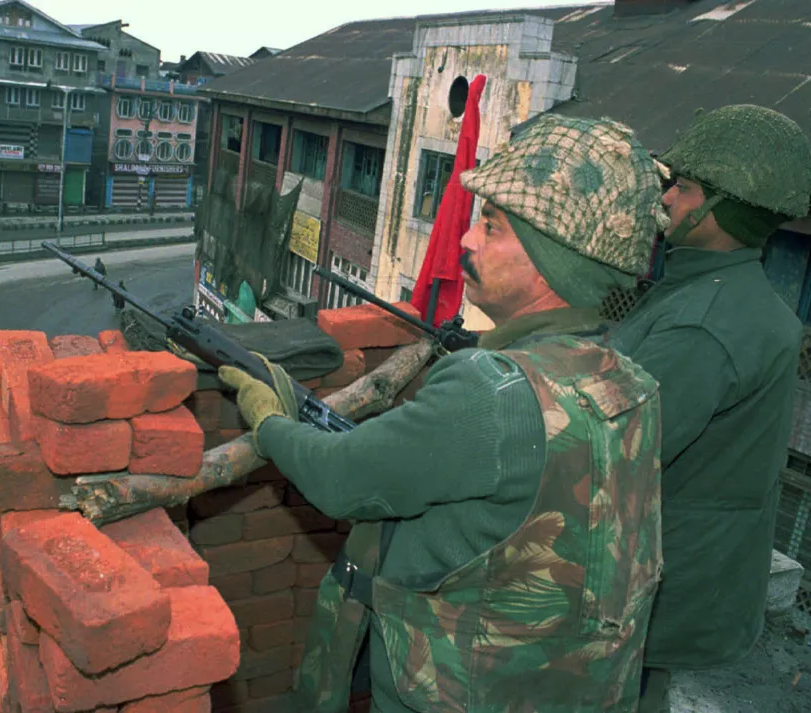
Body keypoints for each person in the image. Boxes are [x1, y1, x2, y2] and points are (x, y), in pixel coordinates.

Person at [219, 116, 669, 712]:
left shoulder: (493, 392)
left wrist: (270, 420)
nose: (466, 241)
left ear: (548, 259)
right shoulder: (627, 381)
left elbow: (340, 478)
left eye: (492, 226)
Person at [608, 105, 811, 711]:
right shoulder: (723, 294)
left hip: (651, 587)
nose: (667, 197)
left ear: (717, 211)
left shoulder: (704, 324)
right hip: (678, 581)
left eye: (684, 187)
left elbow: (611, 448)